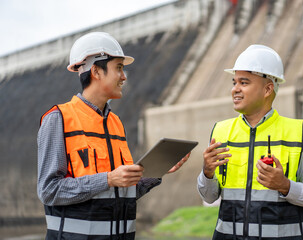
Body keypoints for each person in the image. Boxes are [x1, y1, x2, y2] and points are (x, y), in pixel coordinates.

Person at [37, 32, 189, 239]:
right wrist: (108, 179)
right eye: (119, 67)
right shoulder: (58, 119)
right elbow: (49, 191)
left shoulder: (115, 123)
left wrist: (156, 172)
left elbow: (122, 193)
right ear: (96, 71)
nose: (124, 76)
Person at [197, 45, 303, 240]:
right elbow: (208, 197)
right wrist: (207, 173)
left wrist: (285, 186)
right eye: (234, 82)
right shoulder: (221, 132)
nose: (235, 90)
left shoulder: (297, 132)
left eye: (244, 82)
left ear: (267, 89)